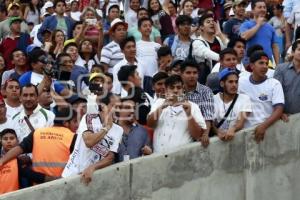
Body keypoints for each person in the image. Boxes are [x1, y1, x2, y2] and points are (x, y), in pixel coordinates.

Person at [0, 109, 78, 183]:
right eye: (75, 121)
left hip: (38, 185)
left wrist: (2, 161)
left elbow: (19, 148)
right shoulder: (73, 137)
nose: (77, 125)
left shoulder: (37, 133)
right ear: (65, 123)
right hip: (62, 184)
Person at [61, 94, 123, 186]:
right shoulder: (89, 118)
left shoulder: (118, 130)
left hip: (92, 178)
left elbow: (110, 157)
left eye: (120, 107)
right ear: (103, 107)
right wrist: (106, 128)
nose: (118, 110)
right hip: (72, 174)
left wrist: (92, 167)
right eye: (114, 106)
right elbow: (89, 142)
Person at [147, 75, 206, 153]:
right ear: (166, 90)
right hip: (158, 158)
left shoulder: (193, 107)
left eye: (178, 87)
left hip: (181, 158)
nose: (175, 90)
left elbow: (198, 136)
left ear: (183, 89)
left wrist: (189, 115)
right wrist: (162, 107)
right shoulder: (159, 103)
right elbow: (150, 124)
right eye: (171, 88)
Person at [238, 51, 284, 143]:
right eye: (261, 63)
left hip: (268, 130)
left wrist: (263, 126)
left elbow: (279, 109)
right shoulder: (241, 82)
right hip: (245, 133)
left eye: (266, 63)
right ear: (252, 66)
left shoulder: (274, 84)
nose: (265, 66)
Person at [180, 60, 213, 146]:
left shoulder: (206, 91)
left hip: (199, 135)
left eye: (195, 73)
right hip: (182, 135)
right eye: (188, 73)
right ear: (181, 74)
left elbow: (208, 116)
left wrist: (205, 134)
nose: (192, 76)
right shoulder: (177, 92)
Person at [213, 68, 252, 141]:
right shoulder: (213, 99)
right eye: (230, 82)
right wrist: (218, 132)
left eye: (236, 82)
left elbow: (241, 122)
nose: (234, 85)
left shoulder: (244, 99)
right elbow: (211, 122)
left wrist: (233, 129)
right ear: (222, 84)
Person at [240, 0, 279, 65]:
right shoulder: (246, 24)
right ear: (253, 10)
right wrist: (258, 24)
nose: (263, 9)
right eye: (260, 7)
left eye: (264, 7)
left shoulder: (270, 27)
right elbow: (245, 37)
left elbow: (275, 47)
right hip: (250, 63)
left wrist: (278, 64)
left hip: (267, 64)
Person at [274, 40, 300, 119]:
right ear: (292, 52)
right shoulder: (281, 69)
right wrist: (279, 113)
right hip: (285, 117)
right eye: (299, 50)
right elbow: (274, 93)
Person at [136, 17, 161, 95]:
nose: (148, 28)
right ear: (139, 29)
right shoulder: (136, 45)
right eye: (145, 26)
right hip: (142, 79)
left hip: (156, 79)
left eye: (150, 26)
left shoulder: (157, 46)